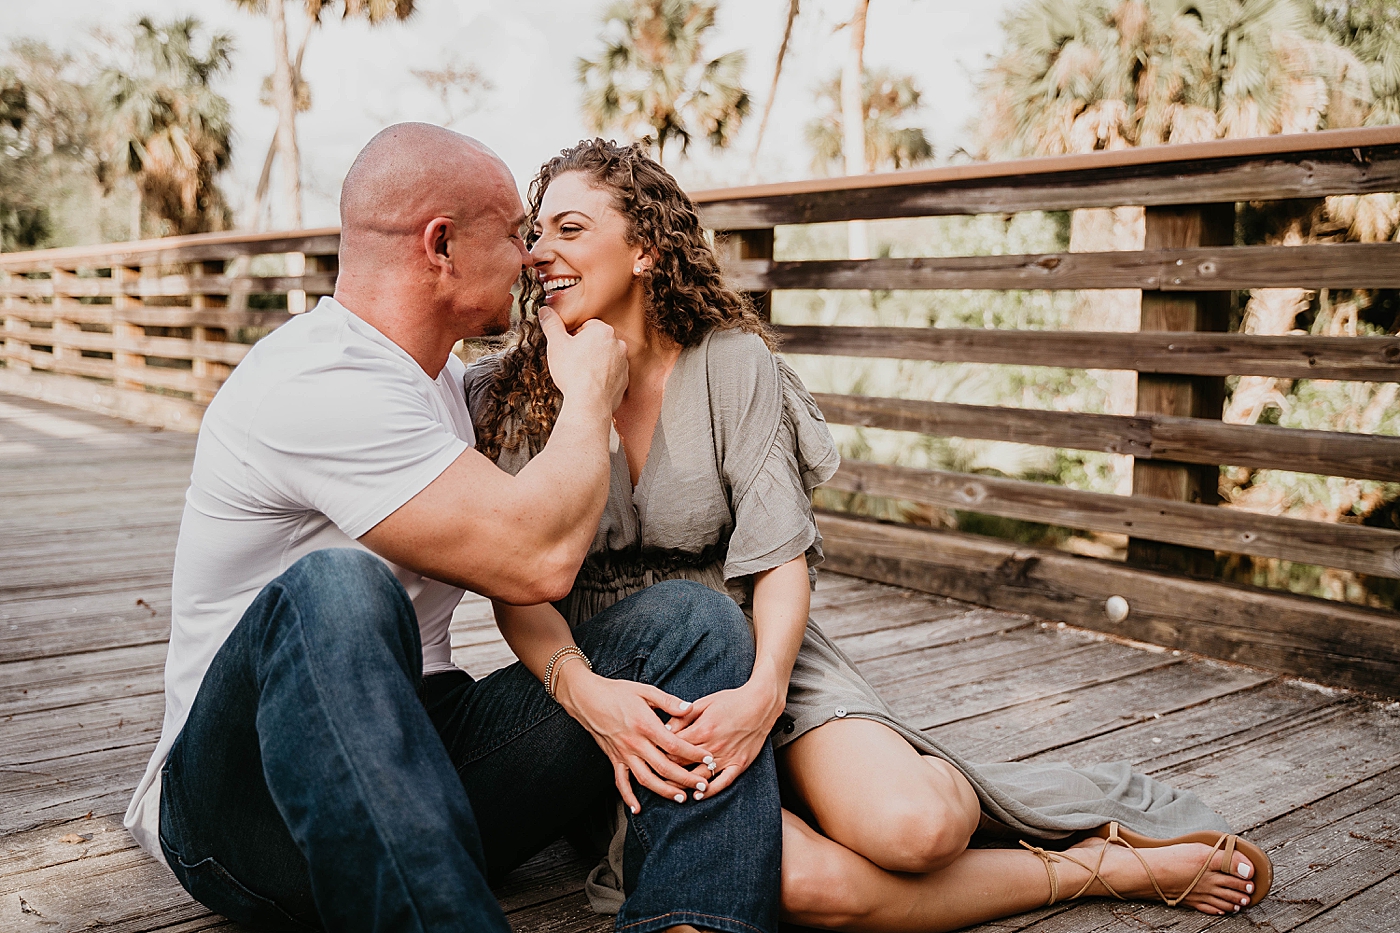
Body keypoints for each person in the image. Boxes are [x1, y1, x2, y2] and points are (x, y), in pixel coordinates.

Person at [465, 138, 1274, 933]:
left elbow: (780, 556)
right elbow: (518, 582)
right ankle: (1100, 867)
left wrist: (764, 692)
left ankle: (977, 794)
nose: (539, 251)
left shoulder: (732, 362)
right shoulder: (512, 389)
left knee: (916, 829)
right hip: (622, 688)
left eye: (570, 229)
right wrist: (591, 698)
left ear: (645, 249)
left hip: (759, 642)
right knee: (802, 882)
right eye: (535, 232)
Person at [123, 123, 782, 933]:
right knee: (337, 586)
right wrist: (588, 402)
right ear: (441, 246)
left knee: (695, 619)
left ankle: (693, 922)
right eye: (516, 235)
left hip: (420, 757)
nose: (532, 257)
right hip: (244, 810)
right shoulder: (315, 378)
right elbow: (534, 559)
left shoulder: (448, 383)